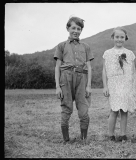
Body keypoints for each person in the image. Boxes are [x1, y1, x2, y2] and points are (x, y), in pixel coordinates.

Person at [54, 16, 94, 144]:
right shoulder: (61, 46)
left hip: (82, 78)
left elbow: (89, 66)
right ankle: (66, 139)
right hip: (66, 78)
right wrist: (57, 87)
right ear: (68, 28)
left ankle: (83, 138)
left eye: (79, 28)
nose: (76, 31)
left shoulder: (86, 46)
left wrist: (88, 85)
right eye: (73, 28)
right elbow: (57, 67)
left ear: (81, 30)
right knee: (66, 107)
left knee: (83, 108)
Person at [102, 27, 136, 142]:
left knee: (124, 110)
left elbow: (133, 71)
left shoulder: (130, 53)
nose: (119, 39)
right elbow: (104, 70)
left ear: (125, 38)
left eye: (122, 37)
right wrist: (105, 86)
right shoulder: (107, 53)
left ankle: (123, 134)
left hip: (126, 83)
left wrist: (133, 86)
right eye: (117, 37)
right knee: (114, 110)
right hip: (113, 84)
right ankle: (110, 134)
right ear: (113, 38)